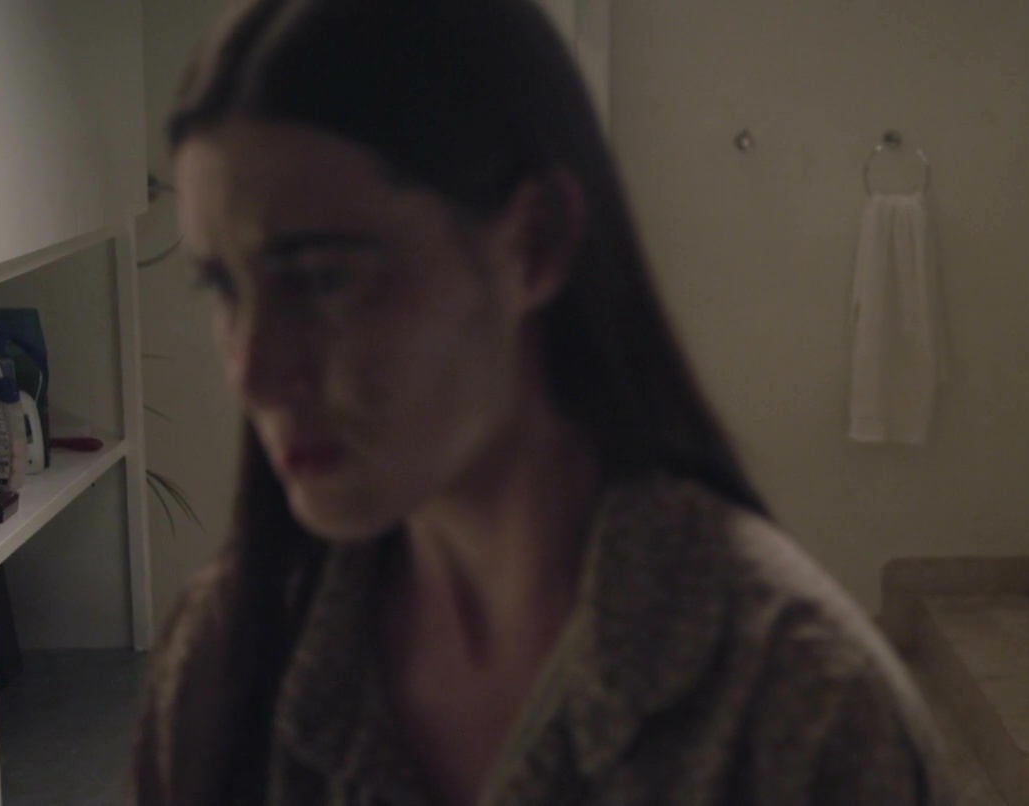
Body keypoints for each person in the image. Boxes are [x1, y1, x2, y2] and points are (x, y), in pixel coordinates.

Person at [132, 1, 950, 804]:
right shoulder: (225, 664)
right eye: (223, 287)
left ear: (536, 242)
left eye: (323, 279)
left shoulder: (801, 709)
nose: (253, 372)